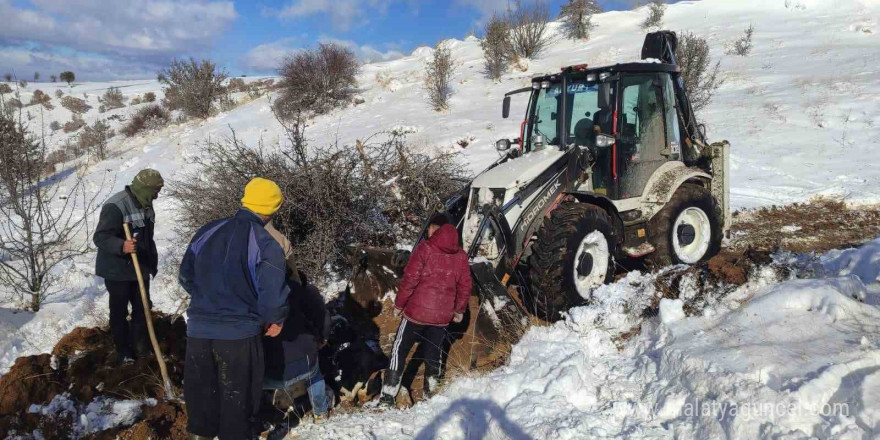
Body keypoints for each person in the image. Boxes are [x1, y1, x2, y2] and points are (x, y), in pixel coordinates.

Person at [179, 177, 291, 440]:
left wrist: (207, 302)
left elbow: (186, 275)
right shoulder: (265, 243)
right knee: (238, 400)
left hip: (198, 331)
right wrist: (275, 319)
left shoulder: (207, 230)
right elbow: (273, 295)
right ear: (272, 209)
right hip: (240, 335)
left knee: (202, 398)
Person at [377, 213, 472, 408]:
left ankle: (387, 397)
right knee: (434, 353)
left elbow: (409, 280)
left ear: (435, 229)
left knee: (399, 350)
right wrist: (459, 310)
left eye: (430, 227)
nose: (428, 231)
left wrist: (398, 305)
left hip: (416, 314)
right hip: (441, 317)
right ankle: (432, 396)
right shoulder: (461, 255)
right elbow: (465, 286)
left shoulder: (425, 249)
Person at [93, 169, 163, 364]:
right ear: (146, 188)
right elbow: (100, 237)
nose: (158, 195)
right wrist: (122, 246)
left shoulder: (147, 205)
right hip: (117, 269)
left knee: (143, 308)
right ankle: (123, 351)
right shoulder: (116, 206)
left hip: (140, 267)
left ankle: (141, 348)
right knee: (119, 311)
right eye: (156, 190)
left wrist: (150, 263)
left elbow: (147, 238)